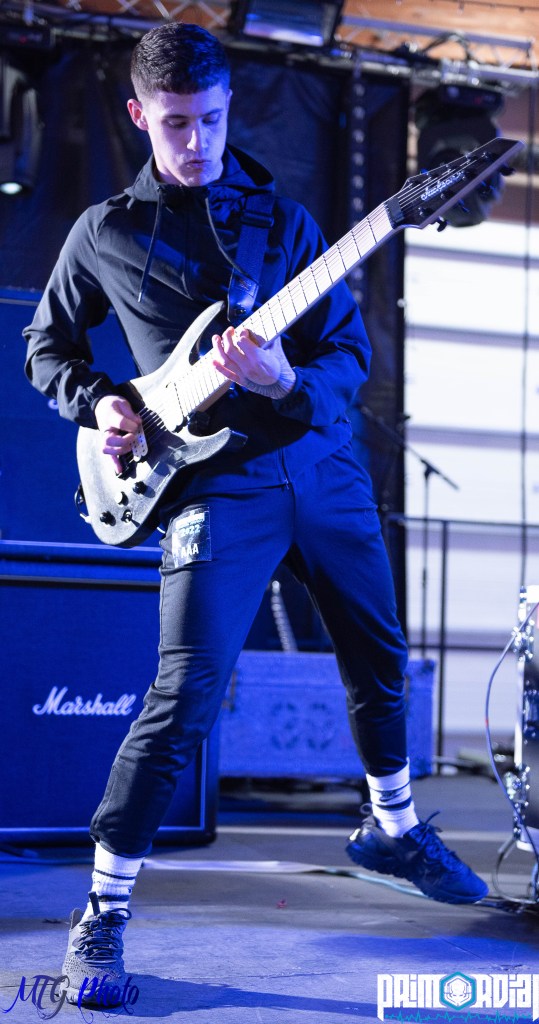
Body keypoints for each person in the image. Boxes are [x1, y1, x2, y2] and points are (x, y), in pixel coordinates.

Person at [23, 22, 488, 1008]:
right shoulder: (104, 232)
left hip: (320, 468)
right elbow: (46, 348)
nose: (197, 142)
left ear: (230, 106)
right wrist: (101, 403)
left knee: (378, 658)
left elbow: (347, 353)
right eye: (177, 124)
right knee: (183, 698)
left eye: (212, 119)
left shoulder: (285, 223)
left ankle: (392, 828)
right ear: (138, 114)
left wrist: (283, 379)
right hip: (209, 485)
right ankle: (102, 908)